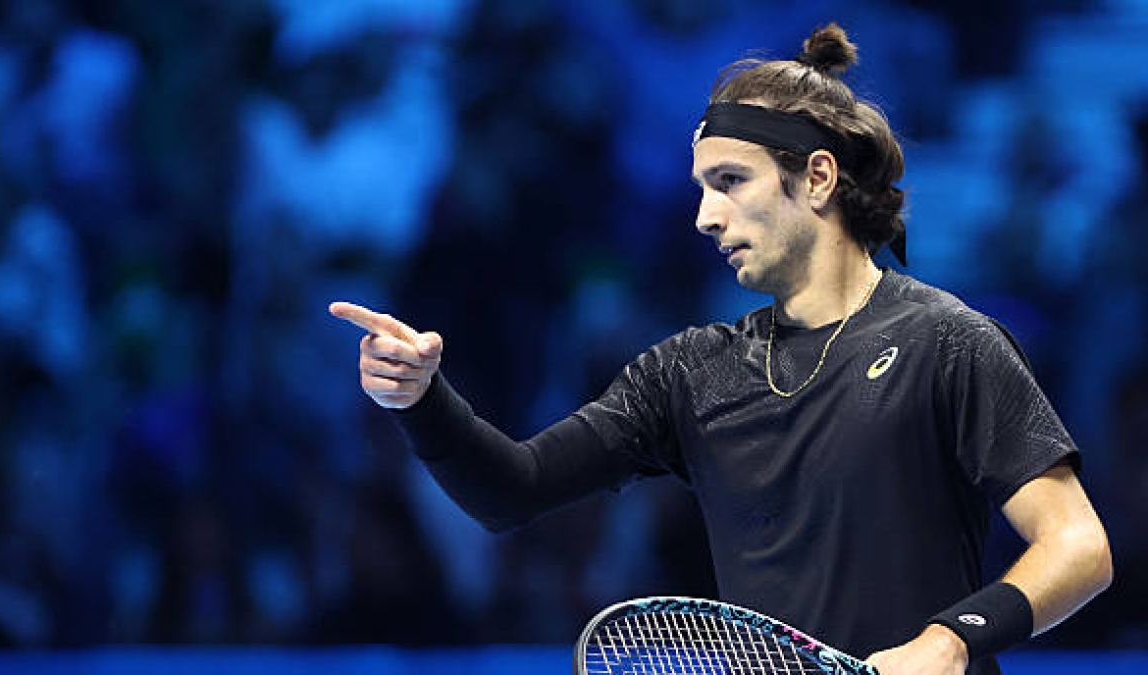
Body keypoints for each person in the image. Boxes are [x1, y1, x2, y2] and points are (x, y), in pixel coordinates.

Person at [329, 24, 1111, 675]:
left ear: (817, 179)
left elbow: (1078, 545)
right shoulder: (689, 372)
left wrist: (951, 640)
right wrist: (421, 399)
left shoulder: (949, 342)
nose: (704, 215)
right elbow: (511, 489)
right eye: (700, 187)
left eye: (730, 181)